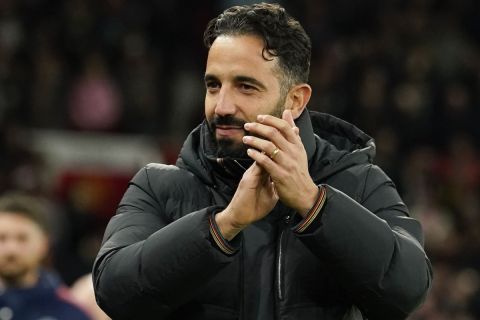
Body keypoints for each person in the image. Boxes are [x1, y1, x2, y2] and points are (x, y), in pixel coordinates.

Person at [93, 3, 432, 319]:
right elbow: (113, 292)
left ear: (296, 100)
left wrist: (313, 204)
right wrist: (223, 226)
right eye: (213, 86)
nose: (222, 106)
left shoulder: (358, 181)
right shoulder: (159, 186)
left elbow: (407, 289)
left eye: (245, 86)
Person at [0, 192, 91, 320]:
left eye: (22, 239)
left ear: (44, 244)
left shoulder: (68, 313)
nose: (11, 249)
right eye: (2, 238)